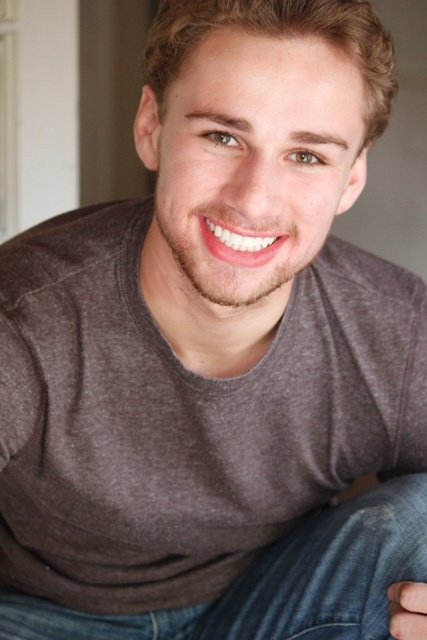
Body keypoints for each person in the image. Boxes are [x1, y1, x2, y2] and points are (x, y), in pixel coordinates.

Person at [0, 0, 426, 637]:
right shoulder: (24, 311)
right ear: (151, 127)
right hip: (43, 614)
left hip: (270, 602)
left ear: (351, 178)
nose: (253, 199)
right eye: (223, 137)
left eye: (307, 156)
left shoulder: (399, 329)